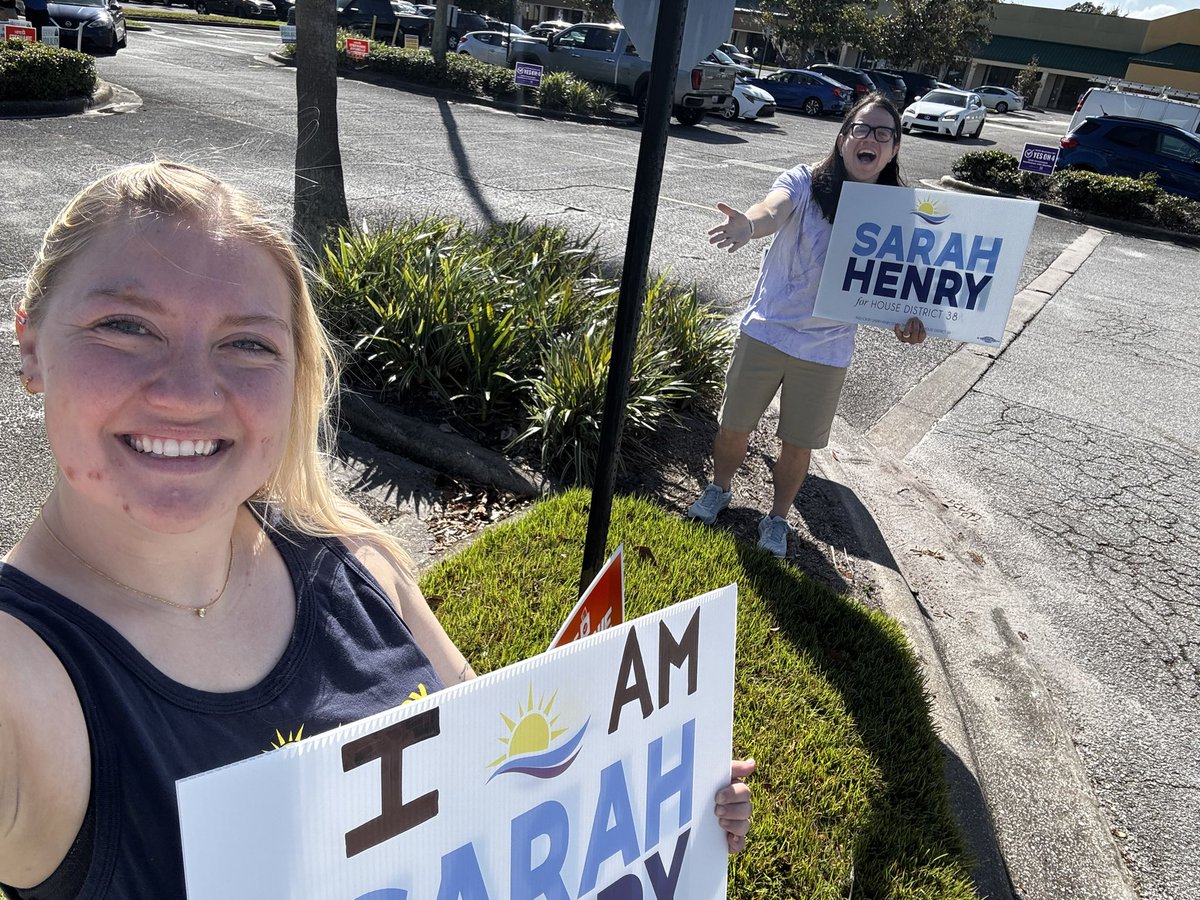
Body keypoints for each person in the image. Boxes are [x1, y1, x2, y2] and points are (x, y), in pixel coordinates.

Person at [0, 161, 754, 898]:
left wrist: (671, 808)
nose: (191, 392)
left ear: (295, 375)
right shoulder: (22, 681)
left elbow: (496, 791)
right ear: (31, 345)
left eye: (248, 344)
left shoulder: (352, 561)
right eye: (125, 326)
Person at [690, 93, 927, 558]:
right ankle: (719, 489)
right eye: (861, 129)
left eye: (884, 133)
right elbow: (773, 208)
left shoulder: (903, 211)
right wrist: (749, 226)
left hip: (826, 349)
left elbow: (903, 281)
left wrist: (911, 320)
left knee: (797, 446)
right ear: (843, 139)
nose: (871, 139)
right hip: (767, 330)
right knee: (733, 428)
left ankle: (777, 518)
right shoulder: (804, 181)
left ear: (895, 149)